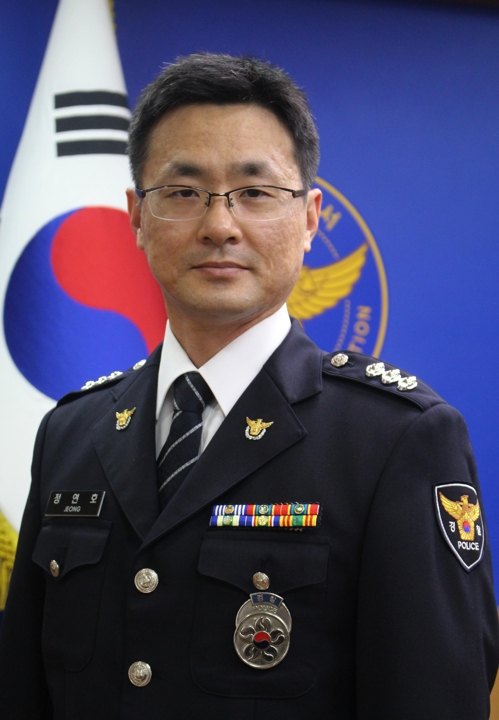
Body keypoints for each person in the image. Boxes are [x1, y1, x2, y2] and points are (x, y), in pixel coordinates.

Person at [0, 53, 497, 719]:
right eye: (183, 192)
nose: (219, 225)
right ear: (136, 217)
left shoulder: (396, 440)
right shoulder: (71, 433)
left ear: (310, 218)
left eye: (255, 192)